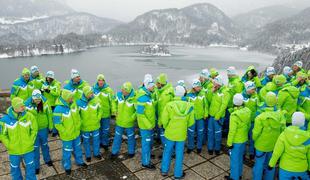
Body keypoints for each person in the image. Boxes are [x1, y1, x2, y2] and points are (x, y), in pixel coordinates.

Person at [160, 85, 195, 179]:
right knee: (179, 154)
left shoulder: (169, 105)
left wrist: (167, 127)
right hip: (181, 134)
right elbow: (191, 122)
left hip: (170, 133)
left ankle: (164, 170)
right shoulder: (190, 106)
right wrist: (183, 126)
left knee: (167, 151)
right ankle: (178, 174)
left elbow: (164, 120)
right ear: (184, 93)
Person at [0, 97, 38, 180]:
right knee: (14, 168)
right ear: (15, 107)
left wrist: (30, 141)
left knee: (31, 167)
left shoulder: (29, 116)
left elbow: (34, 130)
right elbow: (2, 134)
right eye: (21, 106)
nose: (24, 107)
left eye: (23, 105)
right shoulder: (4, 120)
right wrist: (9, 145)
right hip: (14, 150)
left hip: (28, 148)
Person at [252, 92, 286, 180]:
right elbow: (283, 131)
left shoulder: (260, 117)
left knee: (259, 164)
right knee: (271, 164)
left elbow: (255, 133)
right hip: (274, 145)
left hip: (261, 145)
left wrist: (254, 139)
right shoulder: (280, 115)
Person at [53, 89, 87, 175]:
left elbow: (78, 116)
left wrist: (79, 125)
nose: (72, 99)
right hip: (67, 135)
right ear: (65, 98)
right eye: (71, 98)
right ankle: (67, 166)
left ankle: (80, 161)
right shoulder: (58, 109)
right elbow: (57, 124)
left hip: (76, 133)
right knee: (67, 151)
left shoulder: (73, 104)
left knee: (78, 148)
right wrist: (65, 131)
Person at [268, 112, 310, 180]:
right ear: (303, 122)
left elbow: (277, 152)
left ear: (292, 121)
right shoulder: (308, 137)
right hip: (302, 169)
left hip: (285, 168)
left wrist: (271, 164)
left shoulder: (284, 134)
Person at [25, 90, 53, 174]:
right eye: (36, 99)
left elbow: (49, 113)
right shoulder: (26, 104)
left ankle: (47, 159)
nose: (38, 101)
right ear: (32, 98)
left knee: (45, 145)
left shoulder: (45, 102)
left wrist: (50, 125)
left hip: (43, 128)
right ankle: (36, 166)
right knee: (35, 148)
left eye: (39, 99)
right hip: (33, 130)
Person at [226, 94, 251, 180]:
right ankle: (239, 174)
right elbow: (248, 125)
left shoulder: (234, 115)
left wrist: (229, 143)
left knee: (234, 160)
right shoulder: (247, 111)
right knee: (240, 158)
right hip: (243, 139)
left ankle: (234, 177)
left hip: (236, 141)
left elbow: (232, 131)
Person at [111, 82, 137, 159]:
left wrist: (132, 118)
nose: (123, 91)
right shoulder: (118, 95)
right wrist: (114, 110)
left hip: (129, 123)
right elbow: (113, 101)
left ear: (129, 91)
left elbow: (137, 111)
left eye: (124, 90)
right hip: (119, 122)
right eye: (122, 89)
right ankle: (114, 152)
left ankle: (131, 152)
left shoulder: (134, 99)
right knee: (117, 137)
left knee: (131, 138)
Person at [77, 86, 103, 162]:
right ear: (85, 93)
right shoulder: (79, 102)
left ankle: (96, 153)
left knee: (96, 140)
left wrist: (98, 118)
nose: (92, 94)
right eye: (90, 93)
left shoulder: (97, 100)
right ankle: (88, 155)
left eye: (92, 92)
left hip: (95, 125)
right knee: (86, 141)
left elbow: (100, 110)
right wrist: (81, 122)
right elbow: (77, 115)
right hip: (85, 127)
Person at [136, 79, 157, 169]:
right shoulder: (143, 97)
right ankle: (145, 163)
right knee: (146, 144)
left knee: (147, 144)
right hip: (146, 127)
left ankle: (147, 159)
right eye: (152, 86)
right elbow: (140, 114)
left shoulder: (148, 95)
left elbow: (149, 107)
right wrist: (149, 125)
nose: (154, 87)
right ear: (148, 86)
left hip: (149, 125)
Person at [208, 76, 230, 155]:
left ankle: (217, 148)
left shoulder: (225, 92)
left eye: (215, 83)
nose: (214, 85)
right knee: (210, 133)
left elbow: (224, 106)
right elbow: (209, 100)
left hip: (218, 117)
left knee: (217, 134)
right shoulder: (215, 90)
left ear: (219, 84)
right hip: (211, 116)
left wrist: (218, 115)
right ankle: (210, 148)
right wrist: (211, 91)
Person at [93, 74, 116, 150]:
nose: (101, 82)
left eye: (102, 80)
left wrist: (113, 112)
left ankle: (105, 143)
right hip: (96, 114)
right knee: (97, 130)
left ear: (104, 81)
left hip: (106, 114)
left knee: (105, 130)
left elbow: (112, 101)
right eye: (99, 80)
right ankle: (98, 143)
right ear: (97, 81)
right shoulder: (93, 89)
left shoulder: (108, 90)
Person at [186, 79, 208, 154]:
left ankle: (199, 147)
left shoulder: (202, 94)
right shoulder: (188, 95)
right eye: (198, 86)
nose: (200, 88)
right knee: (190, 133)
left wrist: (205, 114)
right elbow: (186, 107)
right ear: (194, 87)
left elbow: (206, 105)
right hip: (191, 118)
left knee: (200, 132)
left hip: (200, 118)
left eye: (200, 86)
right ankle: (190, 146)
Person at [242, 81, 261, 160]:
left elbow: (258, 108)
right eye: (252, 89)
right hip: (244, 122)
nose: (254, 91)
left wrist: (256, 116)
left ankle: (251, 153)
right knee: (243, 138)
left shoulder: (256, 96)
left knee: (252, 138)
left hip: (253, 122)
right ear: (247, 89)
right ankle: (242, 153)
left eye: (254, 89)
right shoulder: (241, 96)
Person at [41, 71, 61, 137]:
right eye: (47, 77)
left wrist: (49, 91)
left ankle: (55, 131)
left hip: (54, 104)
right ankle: (50, 129)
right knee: (48, 117)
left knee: (54, 118)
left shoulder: (56, 84)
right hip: (46, 104)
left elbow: (57, 94)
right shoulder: (44, 83)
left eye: (50, 78)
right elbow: (42, 92)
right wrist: (41, 91)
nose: (48, 79)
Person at [156, 73, 174, 144]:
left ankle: (168, 152)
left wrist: (160, 122)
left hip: (164, 120)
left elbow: (162, 111)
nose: (156, 85)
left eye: (157, 83)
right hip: (168, 119)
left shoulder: (165, 95)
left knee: (165, 137)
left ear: (160, 83)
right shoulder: (166, 90)